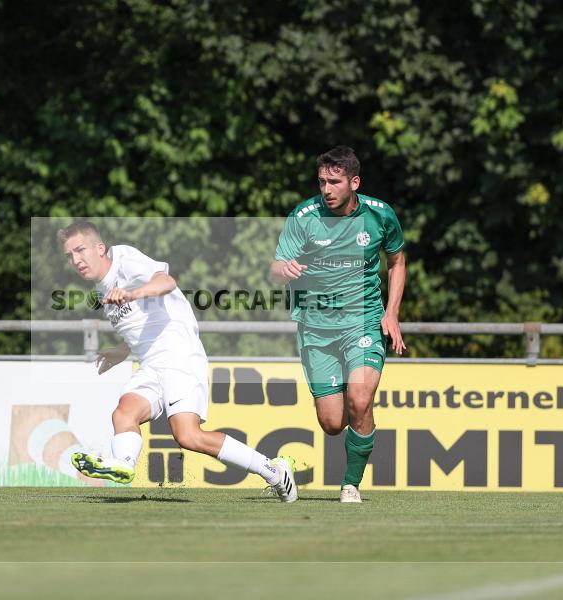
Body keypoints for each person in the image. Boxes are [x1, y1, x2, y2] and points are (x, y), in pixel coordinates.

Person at [58, 221, 298, 502]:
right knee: (123, 413)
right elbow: (142, 323)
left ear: (100, 248)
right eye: (69, 255)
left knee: (189, 436)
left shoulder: (123, 259)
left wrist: (133, 293)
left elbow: (166, 281)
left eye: (80, 250)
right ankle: (124, 463)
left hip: (179, 354)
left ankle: (273, 470)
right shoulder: (102, 287)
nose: (76, 260)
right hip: (151, 364)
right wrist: (121, 351)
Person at [269, 146, 406, 503]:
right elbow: (275, 267)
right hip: (316, 326)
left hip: (362, 321)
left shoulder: (380, 215)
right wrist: (283, 269)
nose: (326, 189)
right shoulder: (304, 216)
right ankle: (352, 420)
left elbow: (397, 261)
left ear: (354, 182)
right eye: (322, 182)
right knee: (332, 423)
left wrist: (390, 313)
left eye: (335, 182)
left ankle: (350, 485)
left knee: (360, 400)